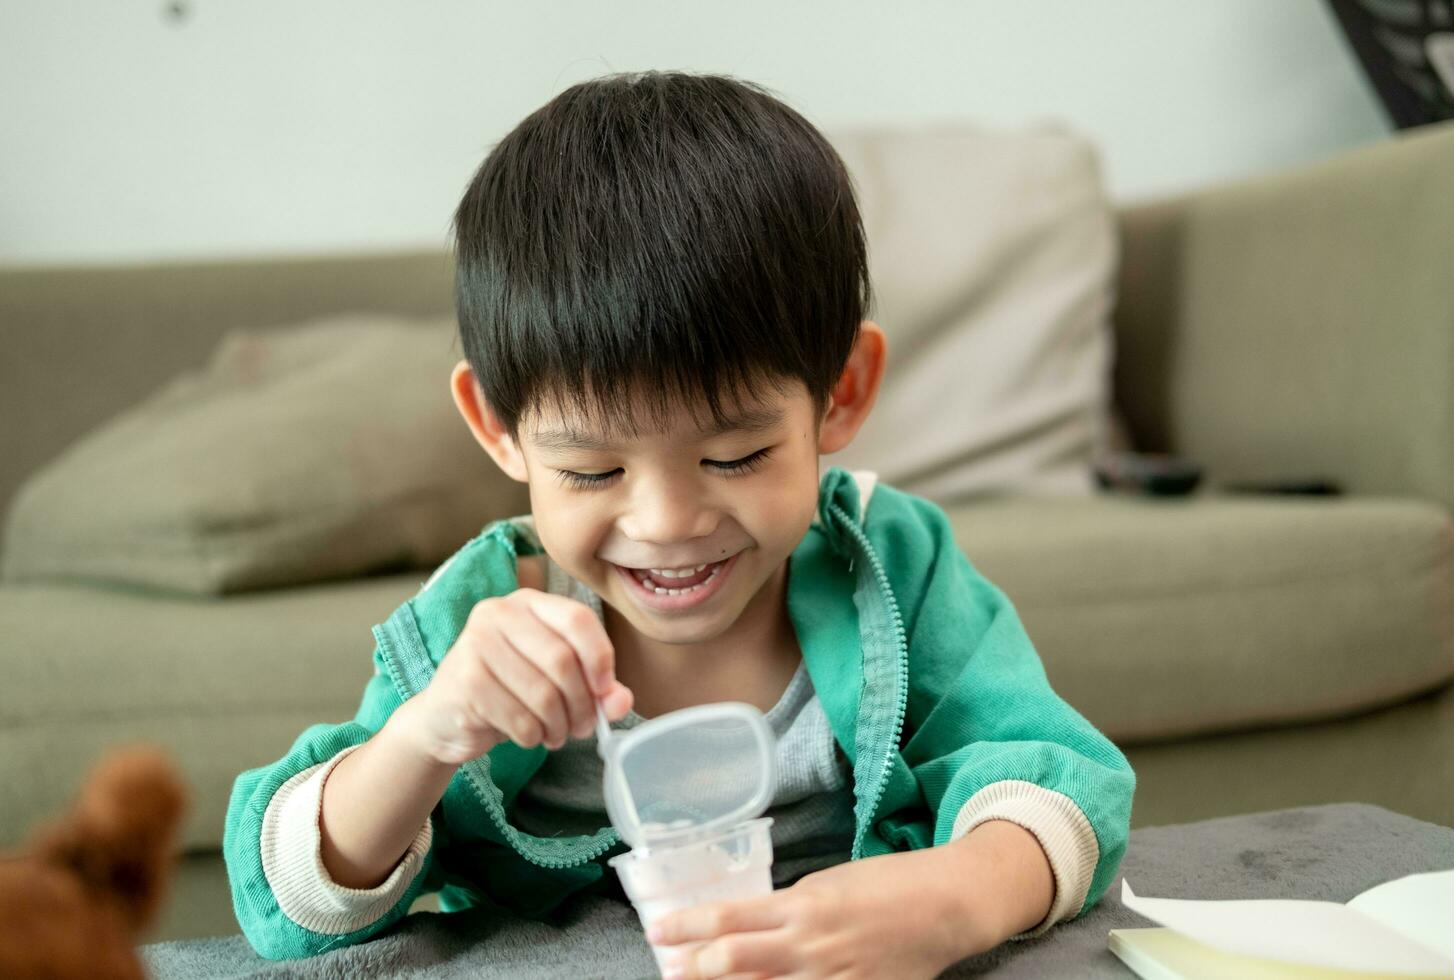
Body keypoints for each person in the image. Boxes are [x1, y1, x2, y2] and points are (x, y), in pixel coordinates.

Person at [224, 71, 1135, 978]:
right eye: (592, 470)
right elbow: (291, 908)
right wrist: (428, 734)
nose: (665, 523)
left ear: (840, 393)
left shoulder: (891, 566)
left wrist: (956, 898)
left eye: (735, 456)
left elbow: (1057, 779)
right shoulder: (483, 622)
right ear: (499, 427)